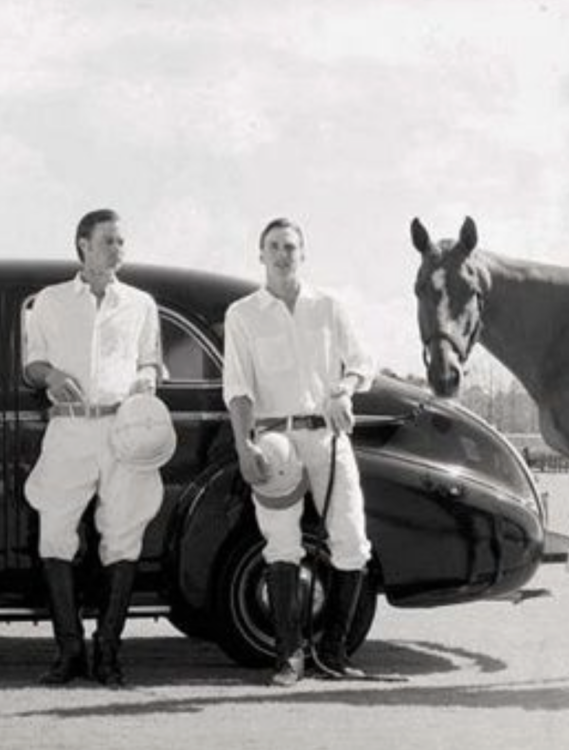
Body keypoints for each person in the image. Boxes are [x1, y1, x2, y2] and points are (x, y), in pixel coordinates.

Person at [222, 217, 375, 687]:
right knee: (281, 543)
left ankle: (333, 653)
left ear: (303, 253)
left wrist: (345, 390)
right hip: (274, 441)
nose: (283, 254)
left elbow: (363, 364)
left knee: (352, 540)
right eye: (274, 246)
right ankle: (289, 657)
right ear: (261, 255)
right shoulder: (243, 313)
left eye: (291, 246)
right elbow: (239, 388)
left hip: (327, 436)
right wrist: (244, 446)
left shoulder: (329, 307)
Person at [23, 208, 165, 688]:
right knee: (55, 533)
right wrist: (52, 376)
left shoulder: (141, 303)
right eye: (109, 241)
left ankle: (108, 653)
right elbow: (32, 365)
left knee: (124, 535)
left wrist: (146, 380)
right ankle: (69, 652)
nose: (118, 249)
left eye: (122, 242)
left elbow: (151, 362)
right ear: (83, 244)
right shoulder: (50, 300)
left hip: (124, 430)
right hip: (69, 428)